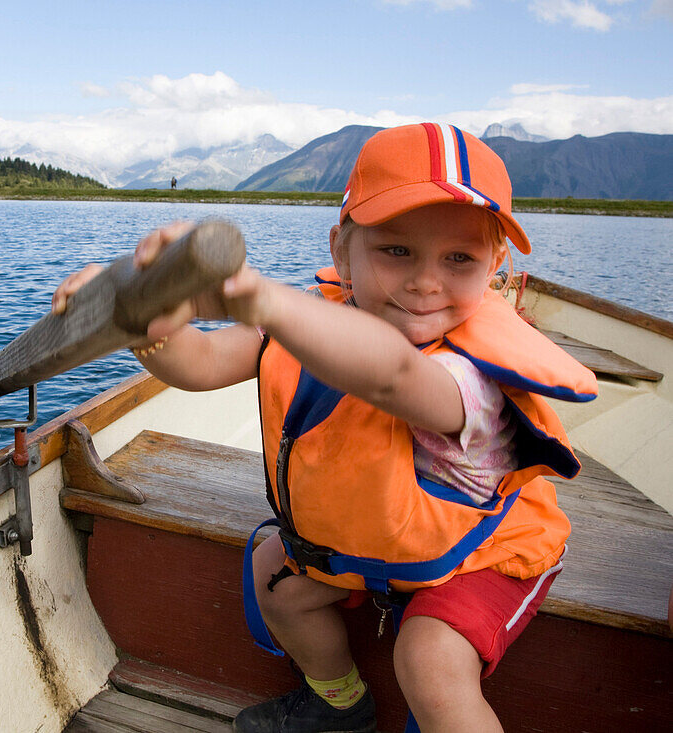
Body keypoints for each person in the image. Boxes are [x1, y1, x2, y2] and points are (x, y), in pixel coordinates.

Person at [51, 123, 597, 733]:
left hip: (483, 553)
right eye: (396, 251)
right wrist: (139, 320)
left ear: (495, 266)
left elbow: (391, 375)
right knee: (274, 580)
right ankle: (341, 704)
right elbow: (200, 365)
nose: (425, 282)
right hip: (380, 540)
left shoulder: (469, 379)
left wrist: (254, 296)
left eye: (459, 259)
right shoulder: (313, 317)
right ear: (342, 250)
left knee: (430, 661)